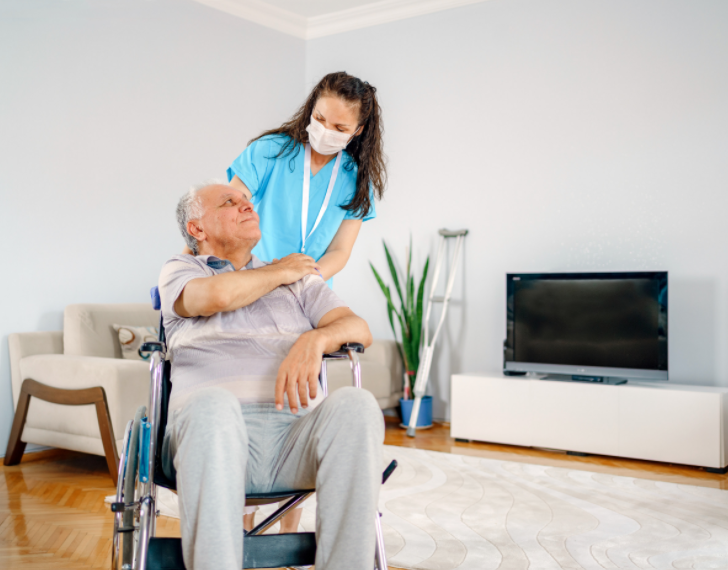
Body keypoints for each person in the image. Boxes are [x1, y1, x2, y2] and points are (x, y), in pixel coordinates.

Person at [158, 181, 384, 570]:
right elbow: (217, 297)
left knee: (358, 405)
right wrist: (281, 270)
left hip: (295, 437)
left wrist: (318, 337)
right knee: (213, 405)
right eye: (230, 202)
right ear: (198, 230)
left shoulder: (298, 279)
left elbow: (358, 329)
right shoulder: (181, 270)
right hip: (211, 434)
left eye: (247, 201)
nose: (247, 206)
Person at [226, 71, 386, 283]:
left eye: (340, 128)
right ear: (311, 109)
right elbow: (225, 211)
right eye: (319, 118)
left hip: (310, 289)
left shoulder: (354, 179)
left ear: (358, 130)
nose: (325, 131)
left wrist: (305, 282)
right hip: (256, 281)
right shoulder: (269, 151)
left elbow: (339, 250)